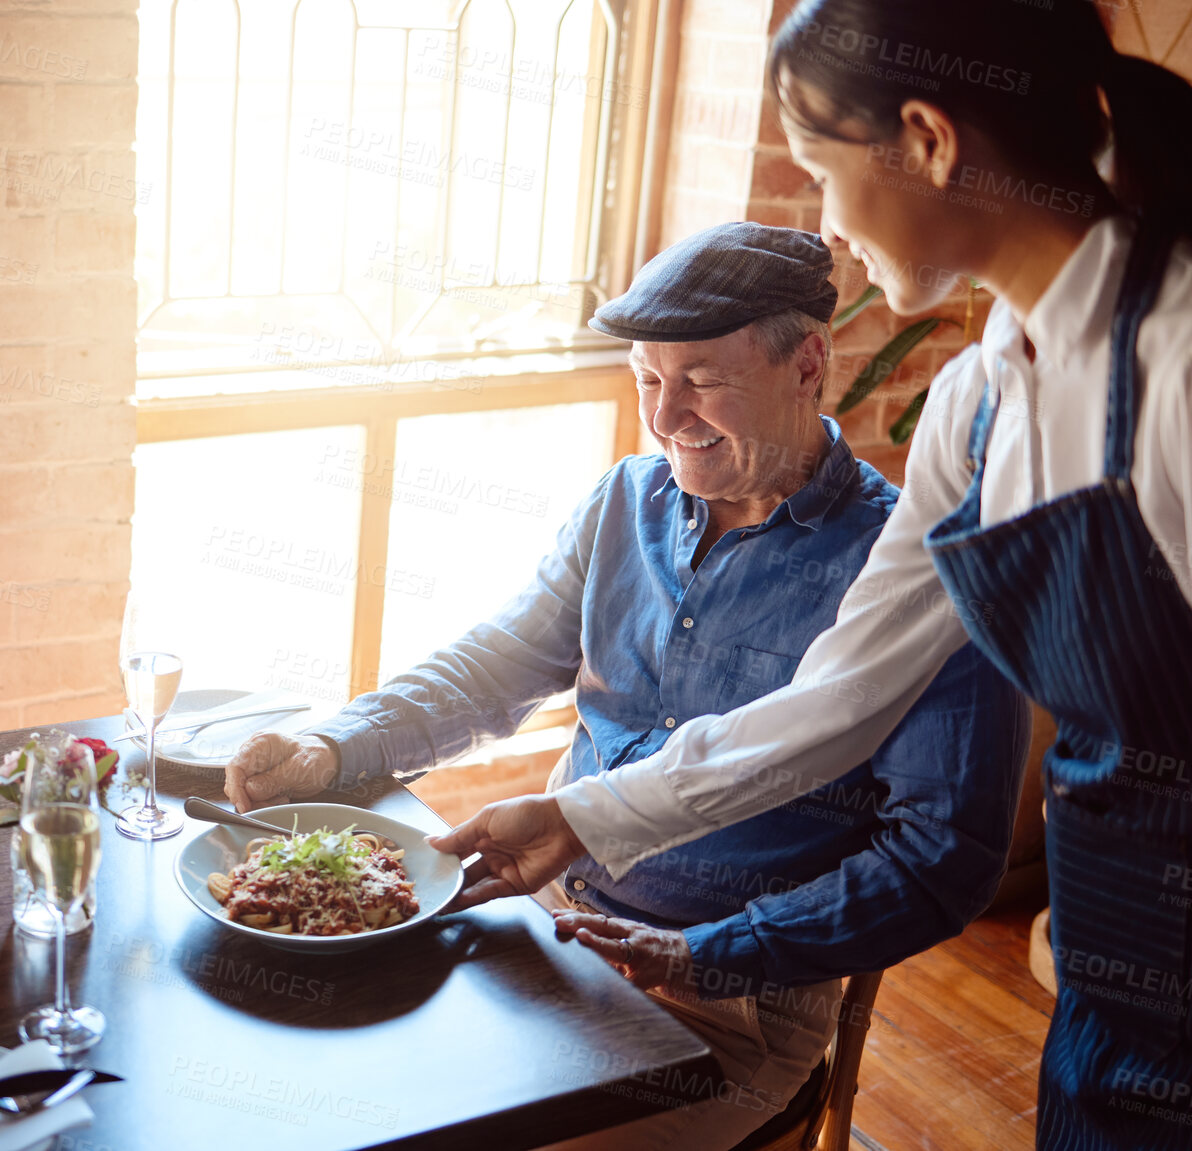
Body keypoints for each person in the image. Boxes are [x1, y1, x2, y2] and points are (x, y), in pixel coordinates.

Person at [423, 4, 1192, 1147]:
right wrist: (577, 816)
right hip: (1112, 967)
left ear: (927, 141)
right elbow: (834, 701)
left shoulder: (1173, 360)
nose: (828, 224)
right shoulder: (980, 408)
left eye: (823, 172)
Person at [227, 222, 1030, 1149]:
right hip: (544, 918)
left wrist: (706, 954)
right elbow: (499, 660)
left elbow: (945, 856)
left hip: (728, 1003)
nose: (665, 417)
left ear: (808, 363)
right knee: (325, 1086)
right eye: (648, 378)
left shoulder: (911, 568)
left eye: (702, 380)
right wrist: (334, 744)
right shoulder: (625, 500)